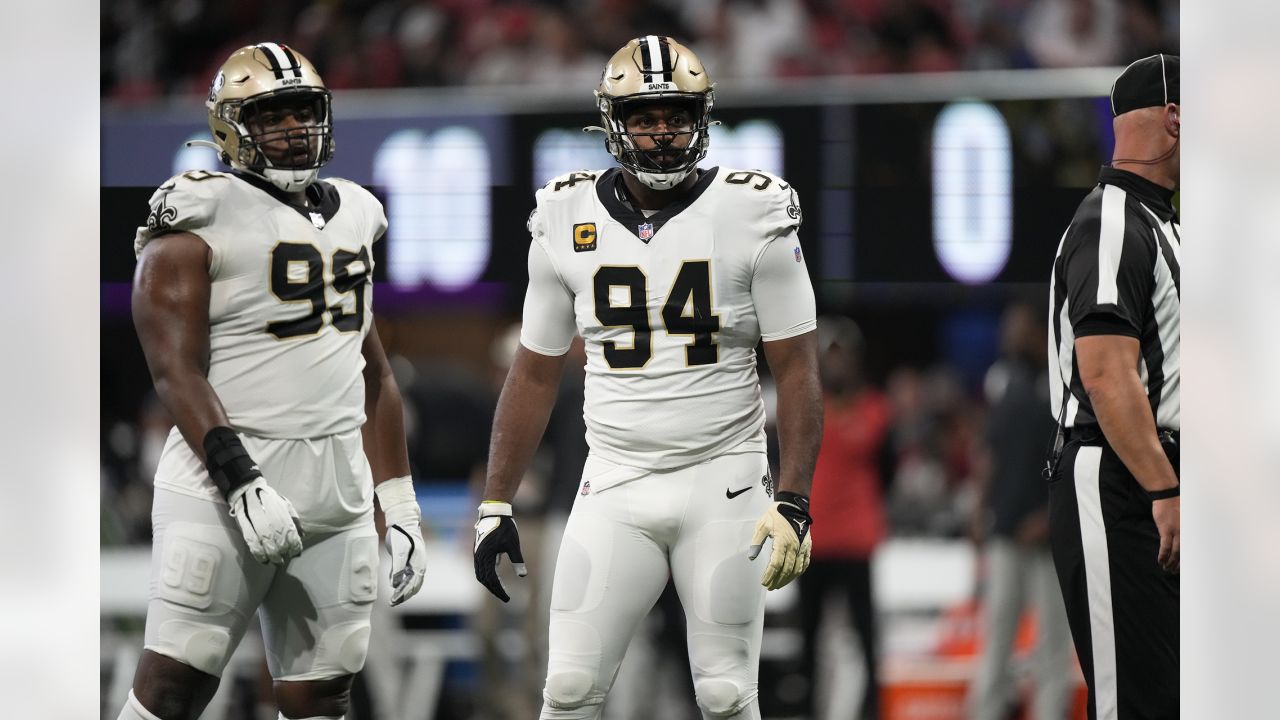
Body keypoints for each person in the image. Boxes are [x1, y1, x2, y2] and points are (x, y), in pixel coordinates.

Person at [472, 35, 823, 720]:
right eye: (644, 117)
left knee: (726, 693)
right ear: (613, 123)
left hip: (723, 476)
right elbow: (535, 371)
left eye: (676, 116)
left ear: (702, 119)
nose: (661, 133)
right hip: (615, 482)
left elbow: (799, 368)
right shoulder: (562, 214)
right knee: (568, 688)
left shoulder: (754, 211)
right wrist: (495, 502)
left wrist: (793, 497)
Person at [117, 43, 426, 720]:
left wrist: (399, 503)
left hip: (337, 486)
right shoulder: (199, 211)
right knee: (176, 684)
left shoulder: (358, 211)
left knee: (322, 695)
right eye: (273, 115)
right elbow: (173, 369)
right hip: (222, 483)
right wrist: (240, 478)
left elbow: (370, 371)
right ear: (230, 126)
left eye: (303, 112)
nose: (293, 129)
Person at [1046, 54, 1180, 719]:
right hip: (1121, 481)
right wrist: (1165, 486)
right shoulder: (1113, 221)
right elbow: (1104, 374)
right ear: (1176, 119)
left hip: (1150, 480)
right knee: (1135, 704)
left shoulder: (1160, 223)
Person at [967, 302, 1071, 720]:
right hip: (1006, 529)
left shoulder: (1064, 378)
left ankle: (1049, 713)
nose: (1008, 335)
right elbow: (989, 451)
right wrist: (978, 507)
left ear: (1036, 330)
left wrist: (1051, 516)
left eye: (1016, 327)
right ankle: (985, 713)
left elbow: (1072, 456)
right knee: (997, 635)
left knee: (1051, 642)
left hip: (1048, 536)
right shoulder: (1003, 379)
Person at [799, 316, 892, 720]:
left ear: (855, 360)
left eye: (842, 357)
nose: (835, 366)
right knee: (809, 639)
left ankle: (872, 711)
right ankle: (809, 710)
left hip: (856, 542)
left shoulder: (876, 411)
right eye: (828, 357)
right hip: (813, 542)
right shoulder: (805, 409)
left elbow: (887, 471)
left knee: (866, 637)